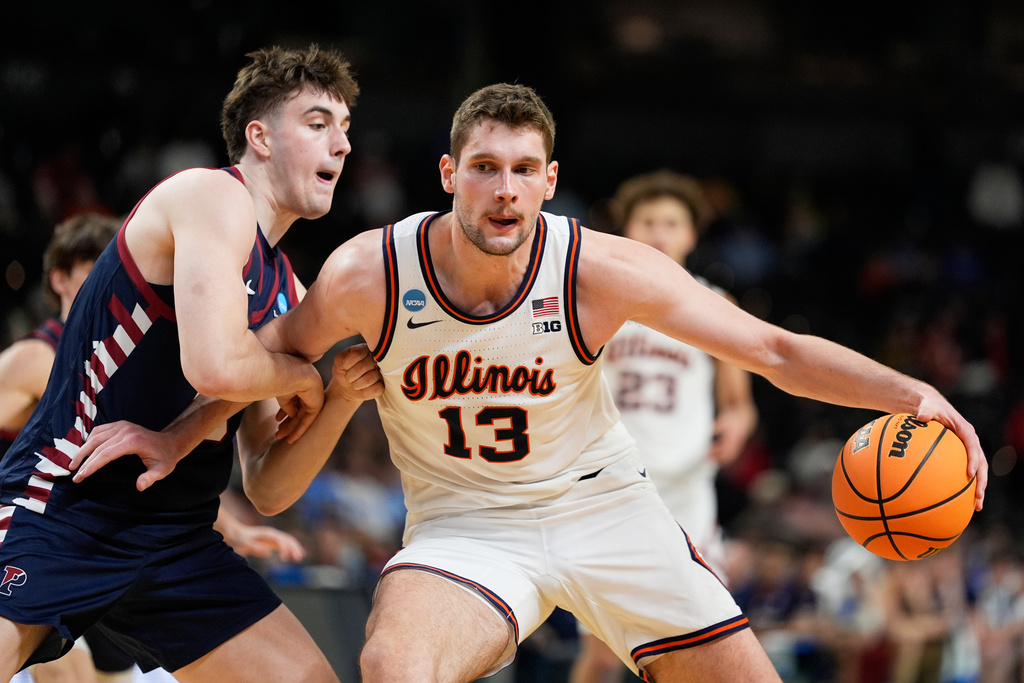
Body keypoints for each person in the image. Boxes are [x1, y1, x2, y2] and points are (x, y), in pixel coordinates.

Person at [77, 83, 988, 683]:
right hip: (467, 528)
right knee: (395, 665)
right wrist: (173, 433)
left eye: (522, 172)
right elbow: (249, 363)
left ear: (550, 182)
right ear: (449, 176)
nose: (503, 191)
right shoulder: (368, 272)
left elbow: (776, 351)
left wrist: (912, 393)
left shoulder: (602, 269)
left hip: (610, 512)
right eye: (484, 169)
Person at [0, 44, 382, 683]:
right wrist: (297, 373)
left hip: (175, 537)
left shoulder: (284, 284)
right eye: (318, 124)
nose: (341, 145)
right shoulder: (209, 195)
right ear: (258, 136)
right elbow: (215, 366)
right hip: (68, 502)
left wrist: (338, 398)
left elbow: (267, 485)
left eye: (345, 129)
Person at [0, 214, 310, 683]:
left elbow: (149, 464)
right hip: (42, 524)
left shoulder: (137, 358)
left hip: (116, 536)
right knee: (68, 671)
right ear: (61, 279)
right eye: (89, 264)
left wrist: (235, 531)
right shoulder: (37, 356)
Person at [567, 170, 758, 683]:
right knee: (604, 651)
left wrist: (736, 425)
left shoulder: (716, 303)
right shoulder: (594, 299)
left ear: (691, 235)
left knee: (702, 648)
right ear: (626, 230)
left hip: (687, 492)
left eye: (671, 223)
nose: (658, 233)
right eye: (647, 221)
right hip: (611, 487)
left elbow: (738, 403)